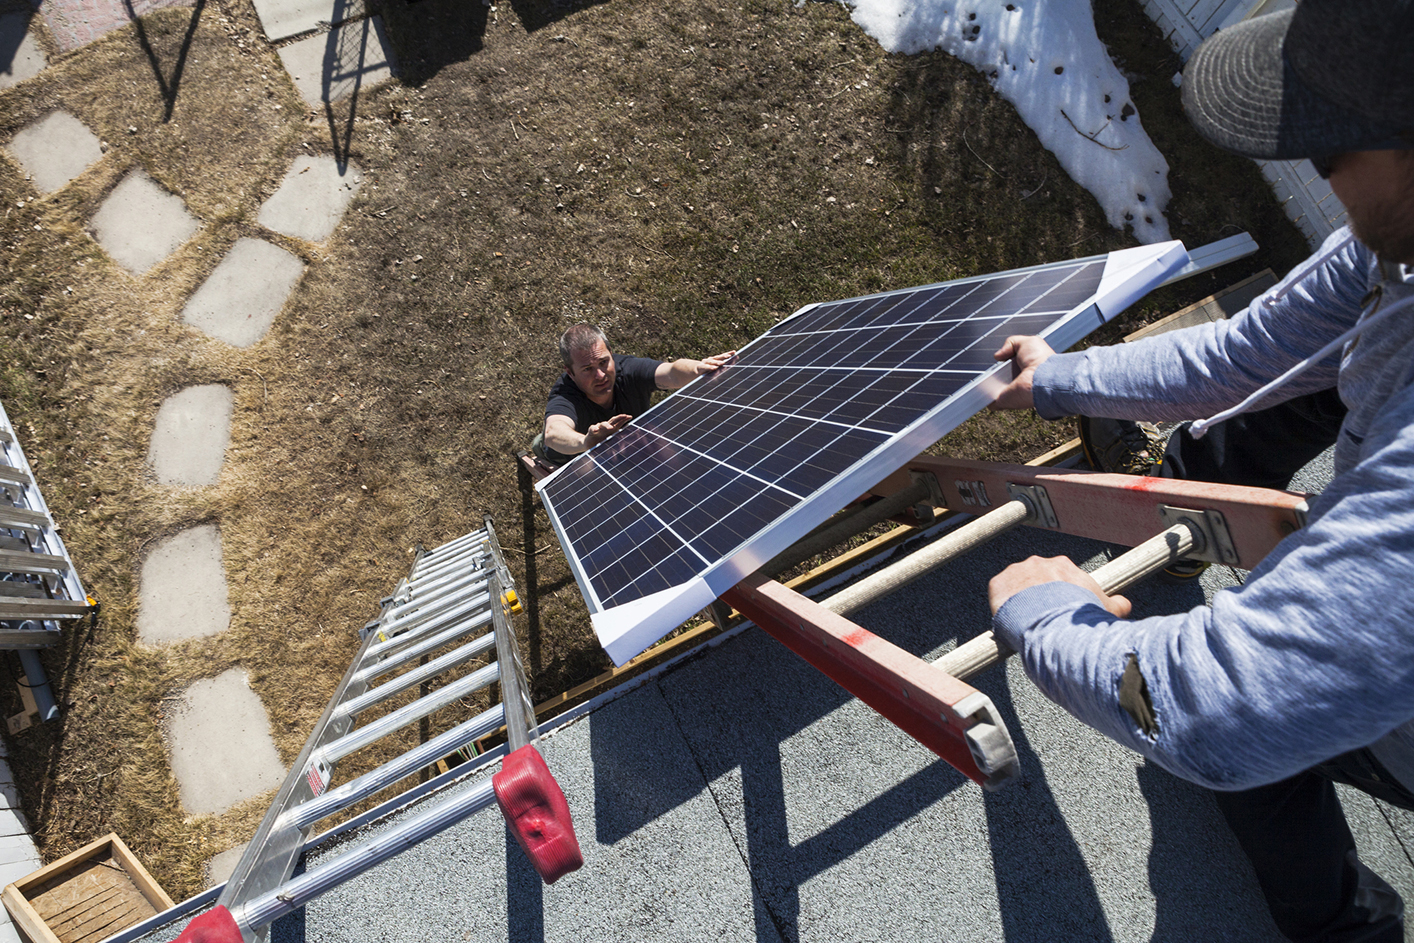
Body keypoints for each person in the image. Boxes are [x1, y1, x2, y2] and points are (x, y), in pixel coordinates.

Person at [986, 1, 1414, 940]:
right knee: (1317, 379)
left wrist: (1051, 622)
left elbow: (1220, 712)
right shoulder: (1401, 245)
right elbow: (1242, 353)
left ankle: (1342, 926)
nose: (1317, 164)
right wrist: (1060, 381)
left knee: (1258, 766)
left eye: (1336, 137)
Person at [533, 324, 736, 466]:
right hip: (578, 454)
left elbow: (672, 372)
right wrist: (587, 442)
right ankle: (538, 447)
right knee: (588, 476)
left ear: (611, 354)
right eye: (587, 369)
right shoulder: (565, 394)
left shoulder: (628, 370)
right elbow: (554, 432)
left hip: (628, 440)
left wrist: (697, 369)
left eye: (604, 362)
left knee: (670, 457)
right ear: (570, 372)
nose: (600, 375)